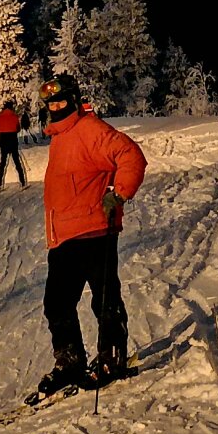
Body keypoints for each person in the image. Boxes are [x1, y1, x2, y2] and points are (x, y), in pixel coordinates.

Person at [35, 73, 147, 396]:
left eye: (60, 100)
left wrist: (119, 193)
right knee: (56, 303)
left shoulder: (89, 130)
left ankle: (112, 357)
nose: (55, 106)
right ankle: (70, 362)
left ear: (72, 100)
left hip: (96, 231)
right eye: (51, 102)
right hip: (65, 238)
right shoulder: (60, 136)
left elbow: (131, 157)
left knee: (105, 299)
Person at [0, 100, 27, 189]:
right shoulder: (14, 117)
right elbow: (18, 128)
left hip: (3, 140)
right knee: (17, 162)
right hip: (13, 139)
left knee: (3, 163)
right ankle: (23, 183)